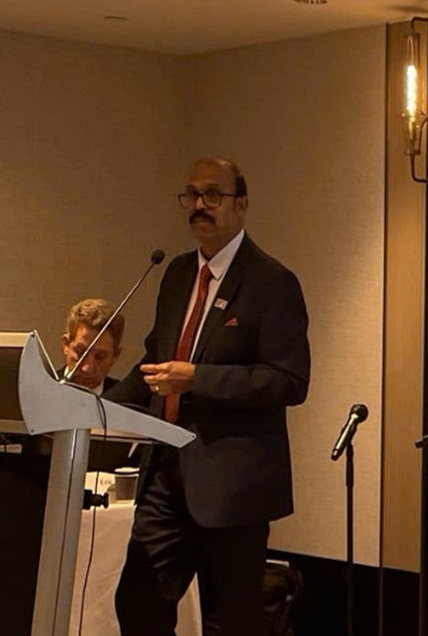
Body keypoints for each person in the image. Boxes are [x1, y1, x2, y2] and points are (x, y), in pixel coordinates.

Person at [107, 156, 311, 636]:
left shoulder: (271, 282)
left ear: (241, 205)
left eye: (213, 195)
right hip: (167, 476)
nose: (200, 205)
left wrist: (198, 379)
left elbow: (288, 380)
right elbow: (156, 360)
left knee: (231, 621)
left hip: (234, 485)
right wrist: (95, 405)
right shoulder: (177, 273)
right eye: (192, 195)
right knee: (138, 602)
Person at [0, 299, 135, 469]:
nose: (87, 367)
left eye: (100, 357)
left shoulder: (129, 405)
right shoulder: (30, 395)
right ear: (66, 345)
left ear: (116, 356)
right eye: (80, 352)